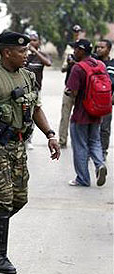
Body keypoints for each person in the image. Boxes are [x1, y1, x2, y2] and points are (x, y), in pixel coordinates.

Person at [0, 31, 60, 274]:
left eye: (27, 50)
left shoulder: (28, 77)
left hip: (18, 146)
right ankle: (0, 257)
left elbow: (36, 108)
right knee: (5, 199)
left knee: (19, 199)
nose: (27, 55)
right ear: (7, 52)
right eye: (22, 51)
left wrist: (50, 134)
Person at [65, 39, 107, 187]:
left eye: (76, 49)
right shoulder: (100, 65)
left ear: (81, 51)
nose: (74, 52)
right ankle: (100, 164)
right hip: (97, 111)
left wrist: (68, 91)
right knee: (95, 141)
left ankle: (83, 179)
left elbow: (73, 92)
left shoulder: (78, 68)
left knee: (80, 145)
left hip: (81, 113)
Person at [24, 31, 52, 150]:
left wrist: (35, 52)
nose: (32, 42)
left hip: (36, 90)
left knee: (33, 114)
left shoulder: (41, 55)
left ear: (39, 42)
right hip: (22, 90)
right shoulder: (23, 55)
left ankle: (29, 139)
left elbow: (48, 63)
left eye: (34, 40)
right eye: (29, 40)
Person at [58, 24, 82, 148]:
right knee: (65, 115)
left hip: (81, 90)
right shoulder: (69, 50)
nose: (76, 33)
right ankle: (62, 141)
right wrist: (69, 64)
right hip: (69, 88)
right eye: (74, 31)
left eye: (78, 31)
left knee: (80, 117)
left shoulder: (86, 49)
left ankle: (78, 141)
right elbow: (63, 69)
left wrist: (76, 63)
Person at [95, 39, 114, 160]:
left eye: (102, 47)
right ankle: (93, 149)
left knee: (105, 127)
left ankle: (103, 151)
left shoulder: (113, 64)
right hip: (93, 99)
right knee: (92, 126)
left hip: (107, 100)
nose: (99, 49)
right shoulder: (93, 62)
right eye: (97, 47)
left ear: (109, 49)